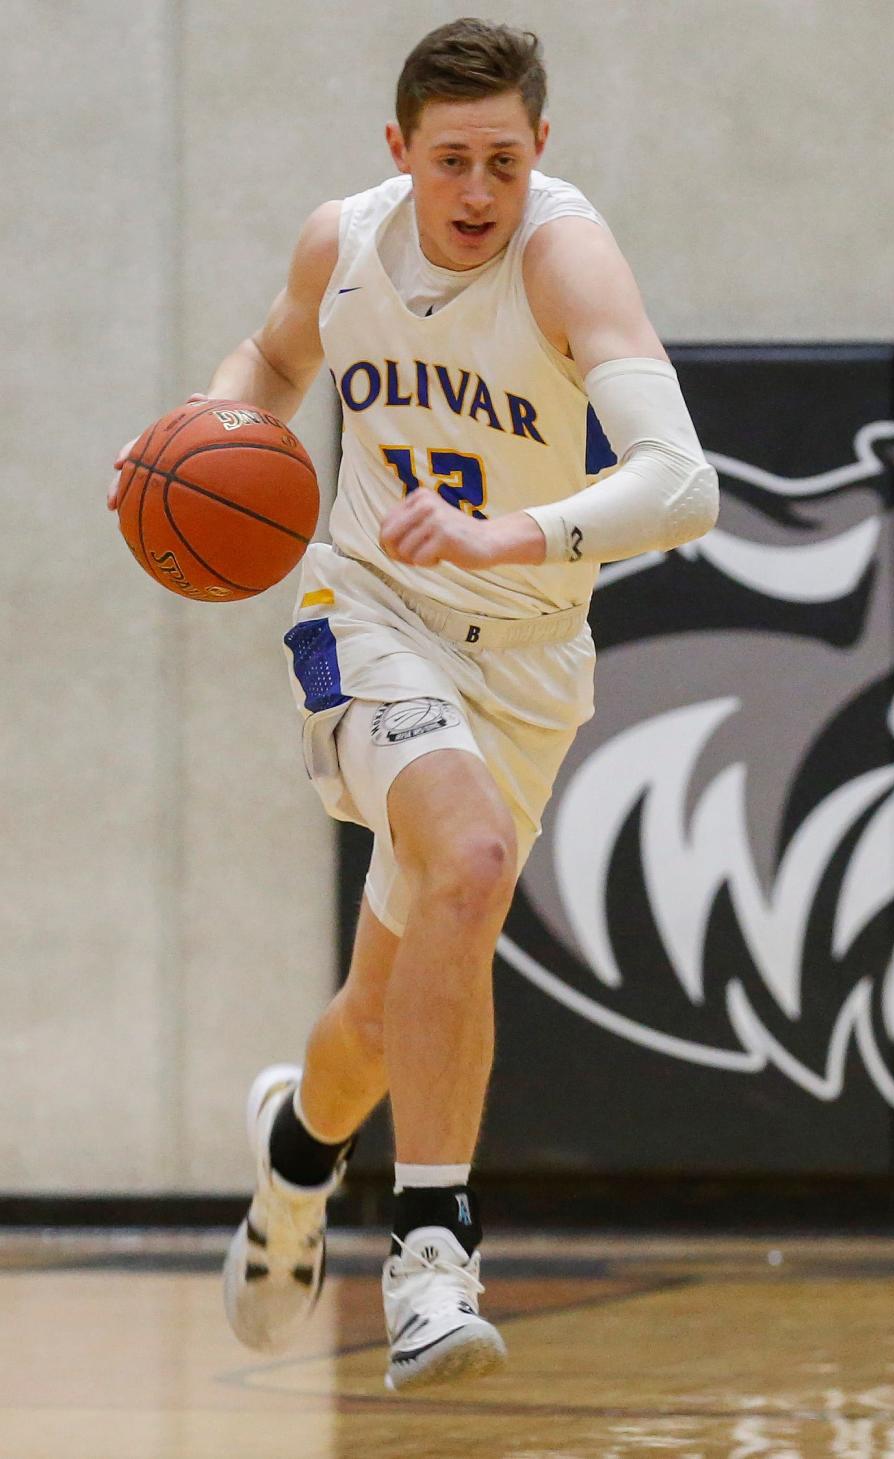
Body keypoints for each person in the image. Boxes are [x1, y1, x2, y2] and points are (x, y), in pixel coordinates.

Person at [109, 17, 718, 1392]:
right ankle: (433, 1262)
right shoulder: (345, 244)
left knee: (382, 1017)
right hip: (368, 613)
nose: (479, 193)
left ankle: (295, 1157)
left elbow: (684, 484)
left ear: (539, 151)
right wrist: (193, 441)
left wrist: (525, 537)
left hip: (527, 654)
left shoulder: (567, 255)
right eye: (453, 161)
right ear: (401, 152)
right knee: (477, 862)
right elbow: (267, 370)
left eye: (504, 160)